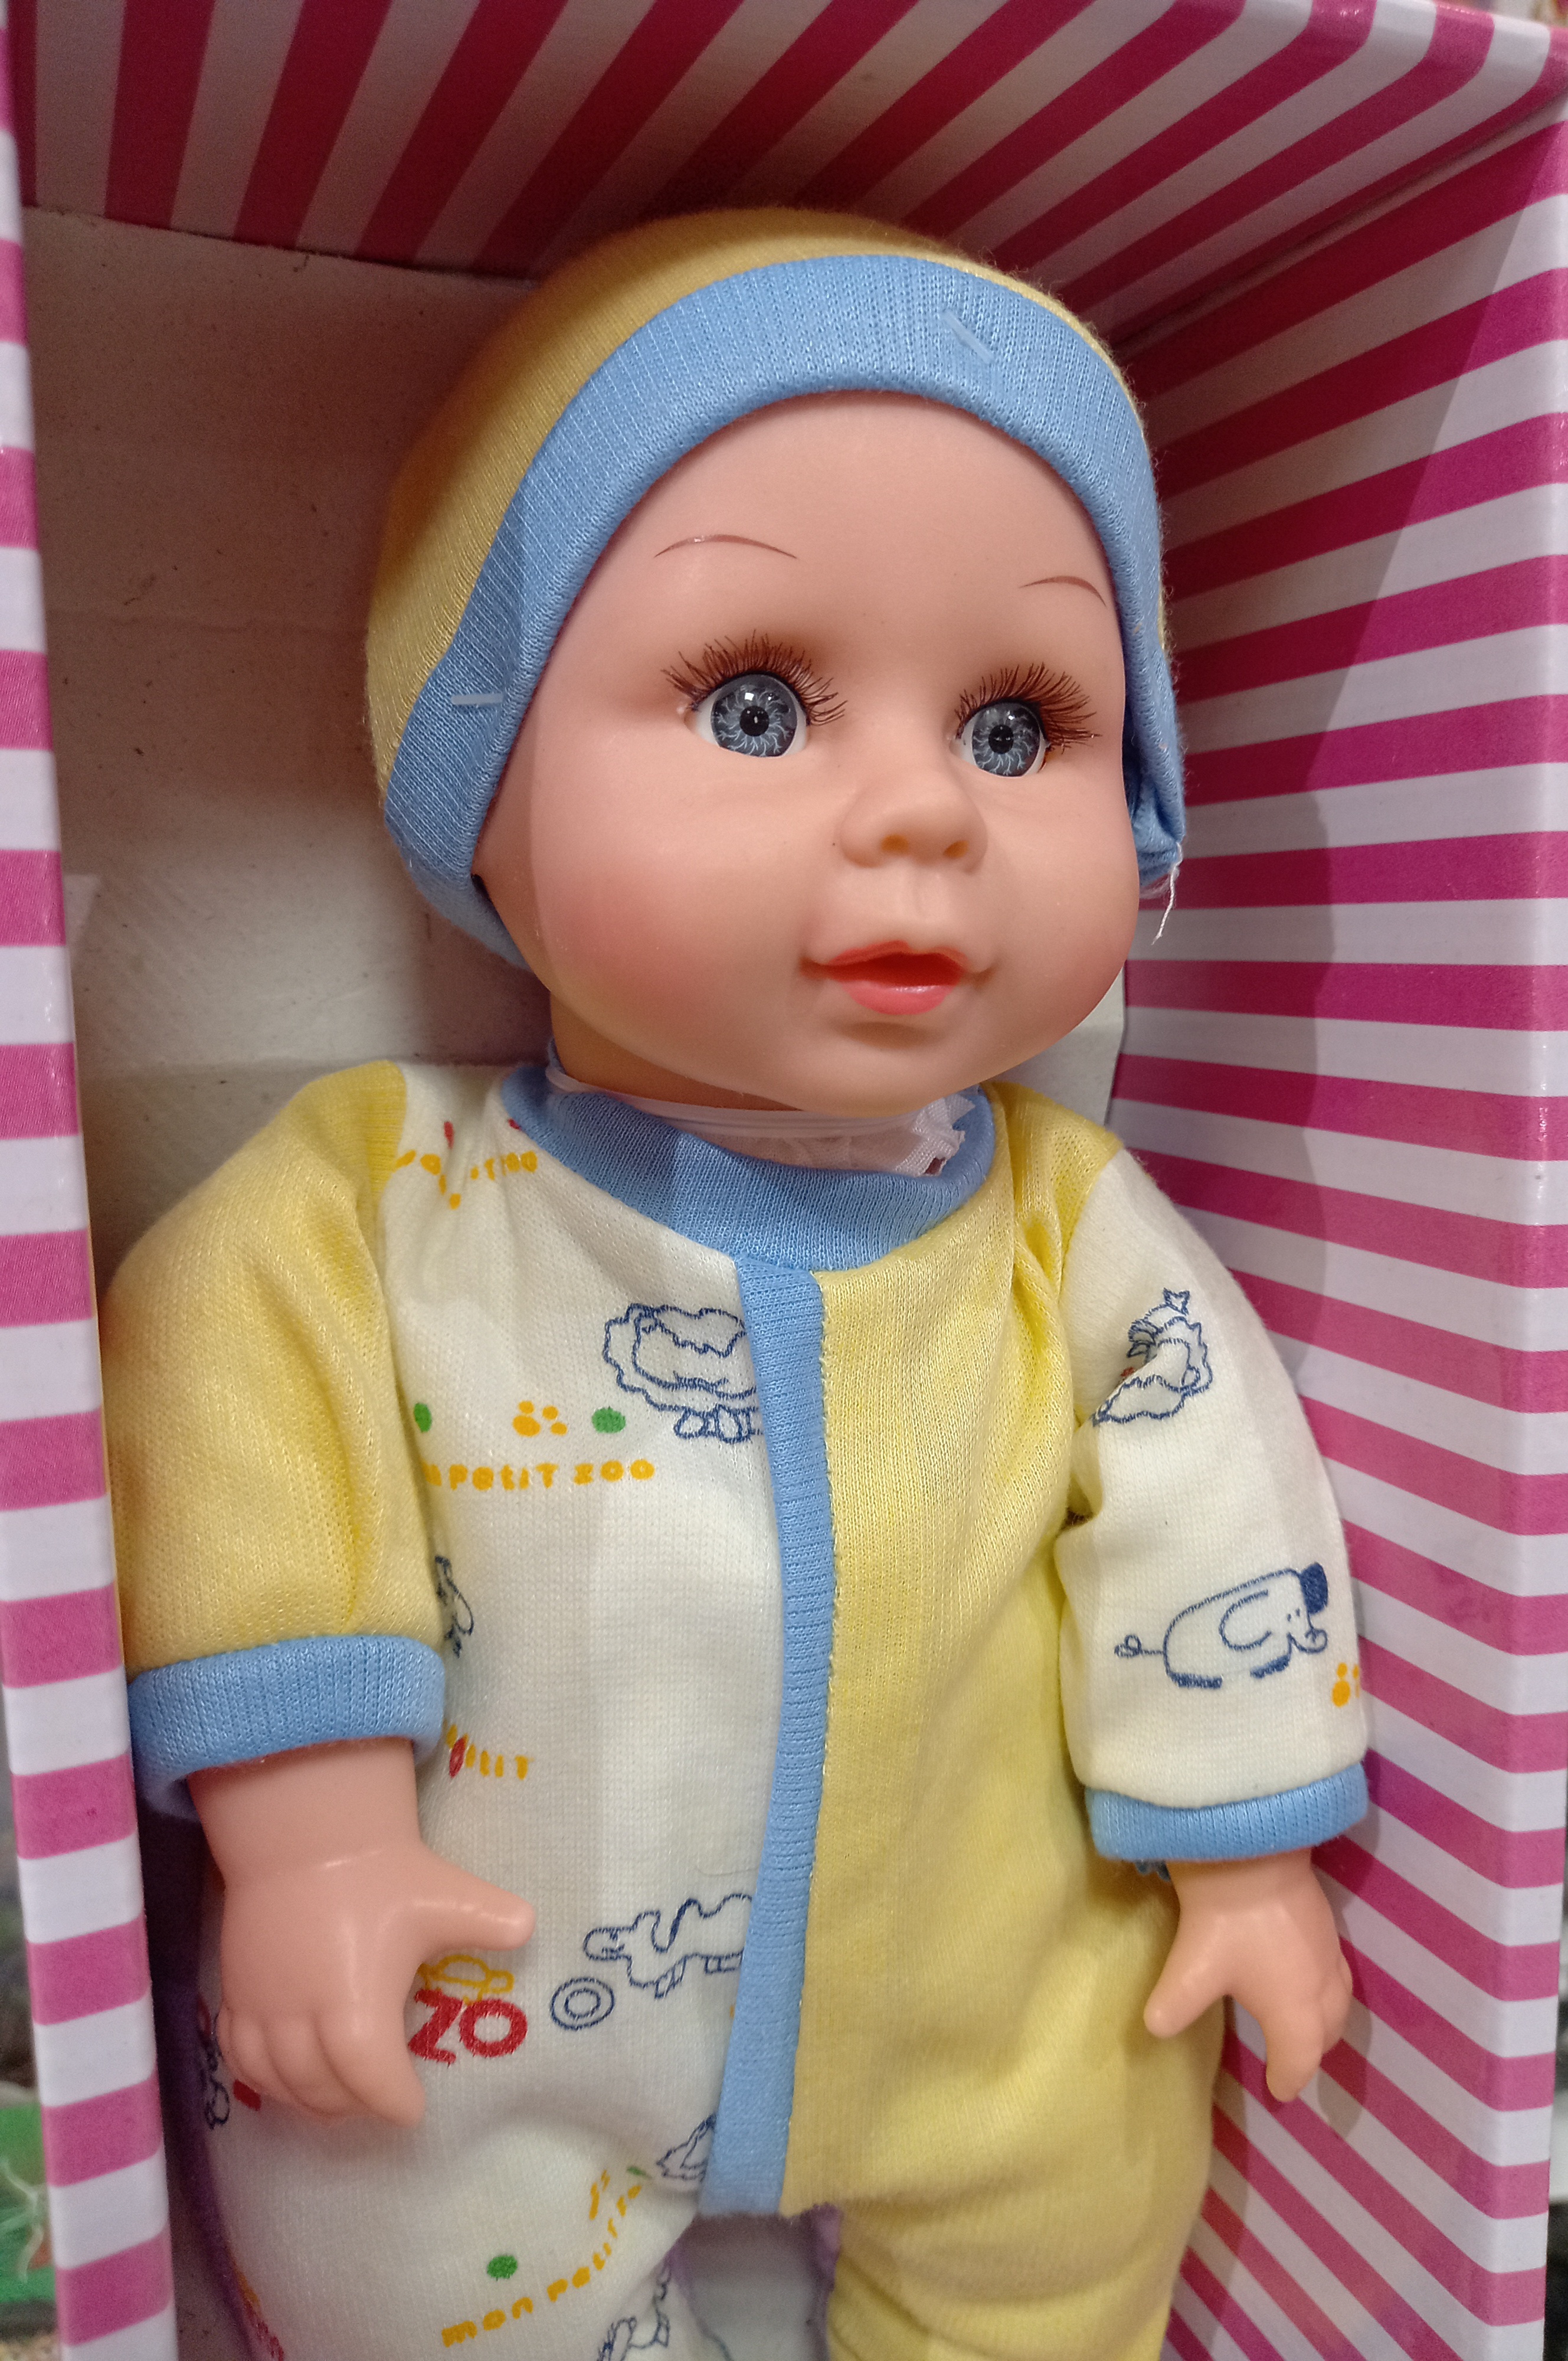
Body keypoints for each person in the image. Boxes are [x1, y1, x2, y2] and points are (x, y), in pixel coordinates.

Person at [103, 209, 1367, 2361]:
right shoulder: (383, 1195)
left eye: (1017, 726)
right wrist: (307, 1838)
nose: (921, 815)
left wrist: (1242, 1857)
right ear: (480, 777)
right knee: (376, 2226)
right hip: (498, 1991)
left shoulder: (1071, 1229)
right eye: (757, 706)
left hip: (996, 1985)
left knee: (1087, 2207)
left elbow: (1216, 1516)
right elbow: (235, 1439)